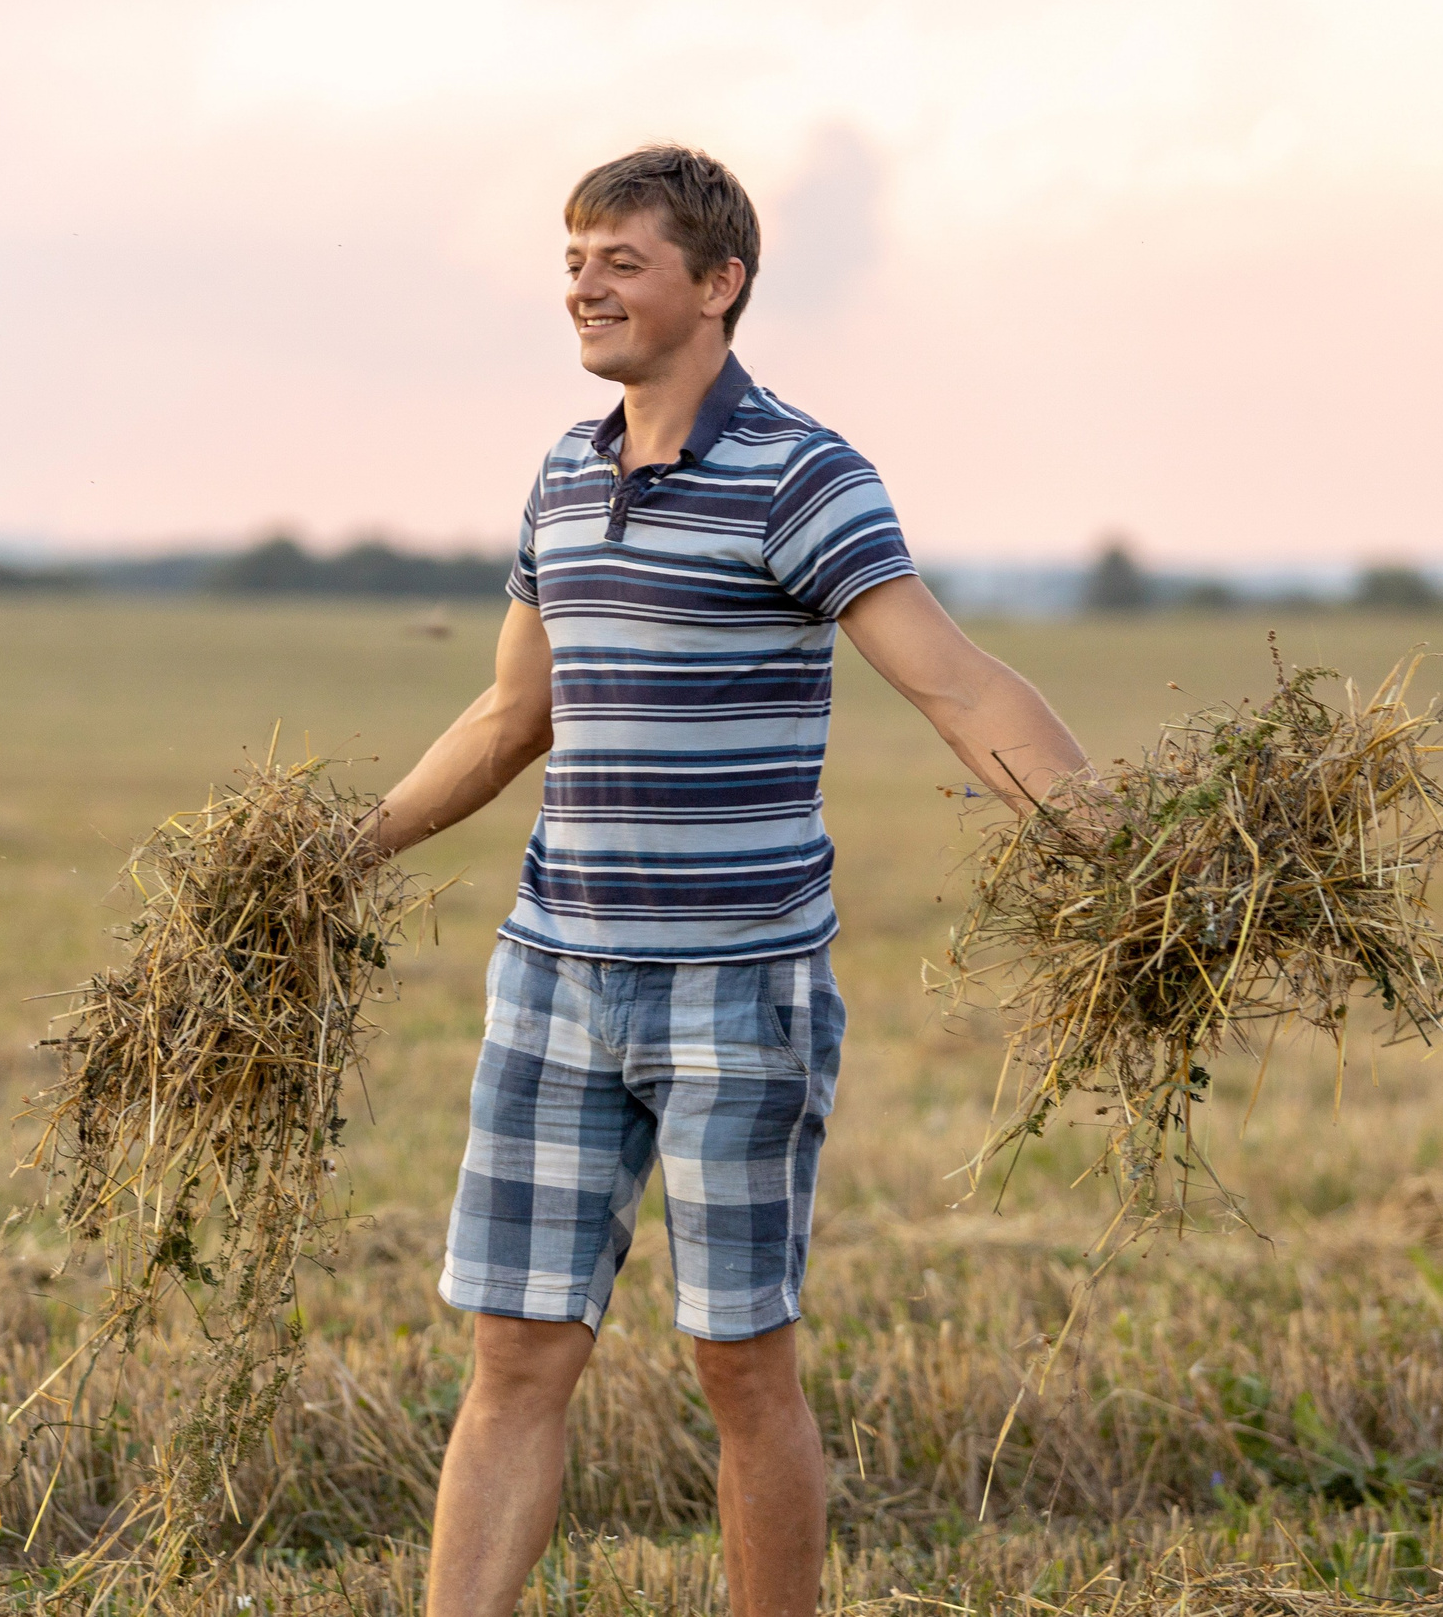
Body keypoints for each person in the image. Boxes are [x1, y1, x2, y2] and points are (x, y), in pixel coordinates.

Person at [361, 144, 1087, 1617]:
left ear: (719, 283)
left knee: (740, 1364)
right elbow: (511, 716)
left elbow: (951, 685)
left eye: (619, 261)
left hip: (739, 991)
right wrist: (334, 857)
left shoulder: (802, 475)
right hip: (553, 978)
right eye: (573, 260)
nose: (584, 286)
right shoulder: (563, 476)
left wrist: (1131, 852)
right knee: (515, 1355)